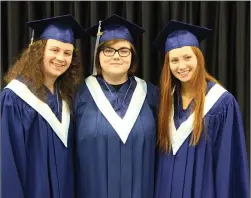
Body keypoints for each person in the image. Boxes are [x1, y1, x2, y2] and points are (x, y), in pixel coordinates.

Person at [153, 20, 250, 198]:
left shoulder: (222, 103)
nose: (181, 66)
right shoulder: (165, 101)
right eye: (174, 60)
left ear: (198, 57)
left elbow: (228, 163)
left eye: (187, 57)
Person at [74, 14, 158, 198]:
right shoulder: (79, 95)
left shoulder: (151, 95)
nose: (116, 56)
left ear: (132, 56)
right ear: (98, 55)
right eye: (108, 50)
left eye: (123, 50)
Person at [1, 14, 85, 198]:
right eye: (54, 50)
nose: (60, 58)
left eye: (67, 53)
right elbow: (7, 163)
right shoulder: (14, 98)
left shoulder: (64, 97)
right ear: (39, 51)